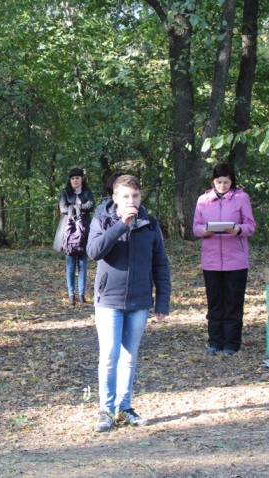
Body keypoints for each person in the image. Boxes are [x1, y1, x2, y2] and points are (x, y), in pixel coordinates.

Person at [86, 175, 171, 432]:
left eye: (134, 196)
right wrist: (121, 225)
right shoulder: (101, 221)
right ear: (115, 198)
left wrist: (163, 301)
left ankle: (125, 406)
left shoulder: (150, 224)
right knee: (109, 356)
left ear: (140, 197)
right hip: (108, 300)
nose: (130, 200)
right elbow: (94, 252)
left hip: (140, 300)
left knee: (129, 357)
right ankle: (106, 410)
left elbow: (161, 263)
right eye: (125, 196)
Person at [193, 163, 256, 356]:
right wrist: (204, 231)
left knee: (233, 302)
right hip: (211, 261)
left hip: (235, 261)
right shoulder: (203, 200)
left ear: (232, 181)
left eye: (226, 182)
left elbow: (251, 226)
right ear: (213, 181)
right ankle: (215, 341)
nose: (222, 186)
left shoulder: (241, 198)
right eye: (218, 182)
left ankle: (231, 343)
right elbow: (195, 227)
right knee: (215, 303)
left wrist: (237, 230)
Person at [58, 168, 95, 306]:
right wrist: (79, 208)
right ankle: (71, 295)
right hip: (69, 232)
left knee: (83, 265)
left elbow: (91, 205)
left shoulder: (87, 191)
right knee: (70, 265)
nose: (75, 180)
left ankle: (82, 295)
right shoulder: (64, 192)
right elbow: (62, 208)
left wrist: (73, 208)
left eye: (77, 178)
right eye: (72, 178)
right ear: (70, 180)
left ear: (82, 179)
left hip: (85, 231)